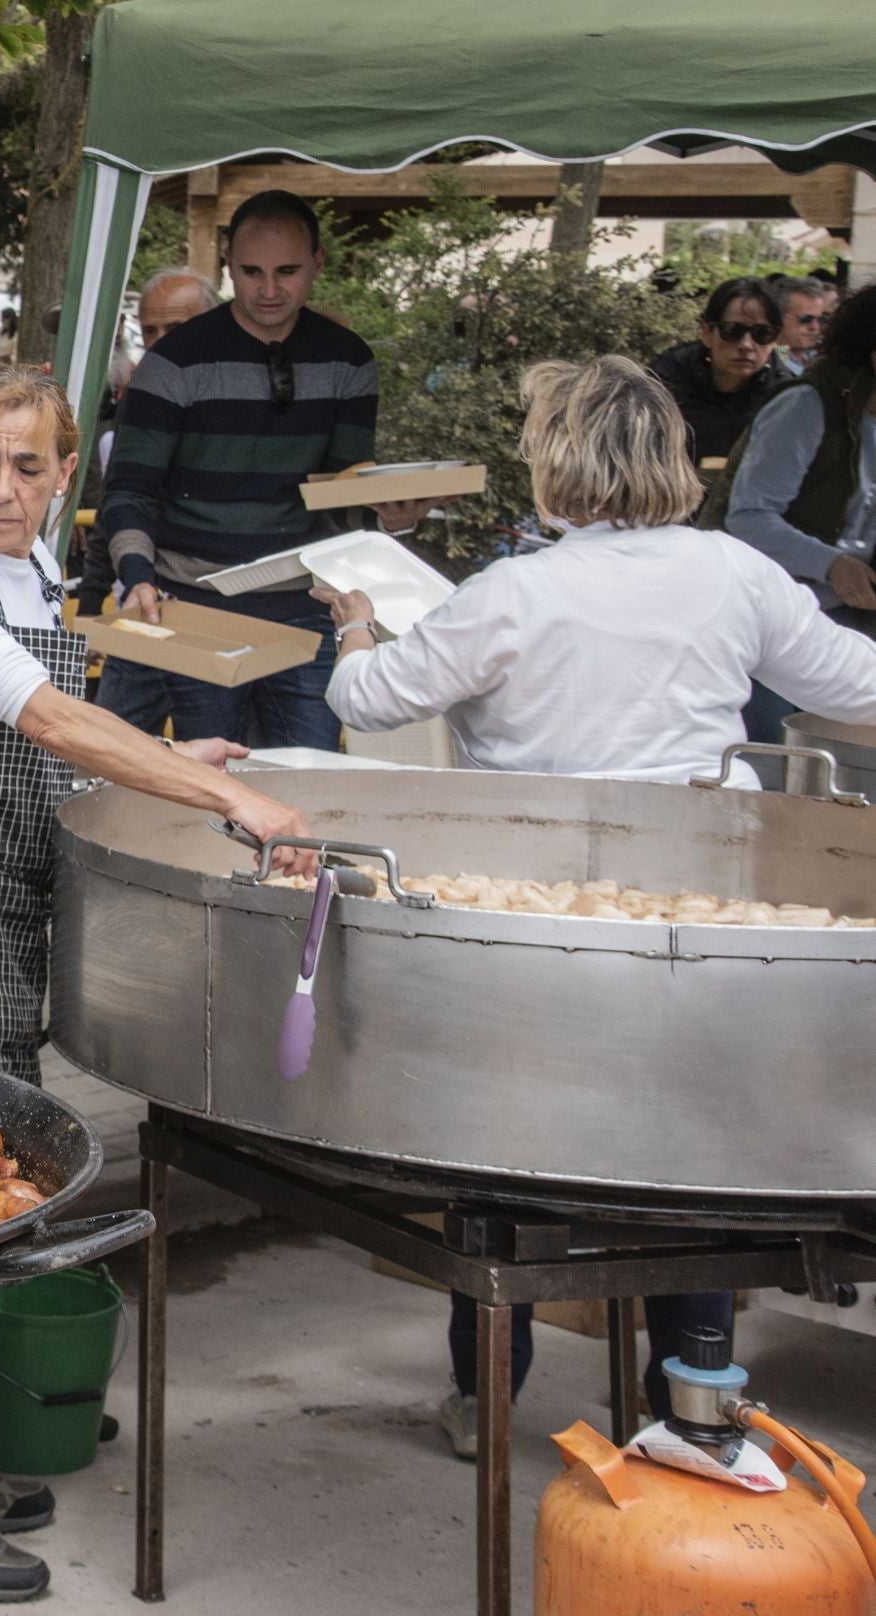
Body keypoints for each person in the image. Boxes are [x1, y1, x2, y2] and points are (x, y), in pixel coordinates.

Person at [318, 356, 876, 1455]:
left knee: (505, 1156)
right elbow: (849, 683)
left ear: (554, 459)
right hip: (703, 908)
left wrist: (351, 621)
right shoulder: (732, 571)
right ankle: (693, 1403)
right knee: (697, 1156)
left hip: (540, 917)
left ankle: (485, 1395)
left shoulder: (515, 589)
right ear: (668, 455)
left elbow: (364, 697)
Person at [0, 362, 308, 1602]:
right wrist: (226, 796)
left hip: (5, 894)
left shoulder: (36, 569)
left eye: (28, 465)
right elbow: (42, 720)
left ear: (65, 473)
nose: (2, 488)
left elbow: (46, 752)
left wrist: (163, 756)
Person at [96, 190, 441, 750]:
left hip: (305, 608)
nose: (270, 289)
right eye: (251, 272)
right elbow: (131, 488)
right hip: (193, 603)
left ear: (318, 264)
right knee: (211, 784)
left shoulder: (348, 361)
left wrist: (393, 524)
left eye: (288, 271)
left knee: (309, 781)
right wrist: (137, 574)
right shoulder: (173, 362)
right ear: (227, 266)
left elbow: (344, 495)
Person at [725, 284, 876, 741]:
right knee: (777, 754)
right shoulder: (806, 406)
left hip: (852, 619)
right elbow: (748, 518)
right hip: (777, 617)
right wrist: (831, 564)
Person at [76, 271, 218, 659]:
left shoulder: (242, 398)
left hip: (220, 606)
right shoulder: (140, 398)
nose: (160, 343)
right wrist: (91, 602)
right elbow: (118, 501)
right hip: (142, 597)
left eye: (175, 328)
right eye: (149, 331)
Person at [647, 275, 792, 465]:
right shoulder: (665, 382)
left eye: (762, 333)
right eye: (732, 330)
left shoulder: (785, 397)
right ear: (707, 332)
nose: (746, 345)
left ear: (775, 339)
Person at [777, 273, 838, 373]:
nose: (815, 327)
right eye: (806, 319)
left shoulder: (822, 358)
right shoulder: (765, 362)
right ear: (778, 316)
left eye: (820, 319)